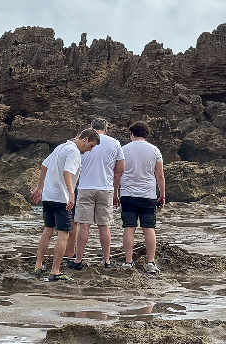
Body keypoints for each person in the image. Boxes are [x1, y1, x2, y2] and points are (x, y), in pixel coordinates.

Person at [30, 128, 100, 282]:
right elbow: (67, 172)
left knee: (47, 231)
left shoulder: (61, 147)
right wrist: (71, 193)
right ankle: (55, 271)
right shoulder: (73, 151)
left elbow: (44, 166)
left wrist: (40, 187)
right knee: (64, 234)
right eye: (91, 146)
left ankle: (38, 265)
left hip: (48, 196)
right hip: (61, 198)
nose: (89, 150)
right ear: (85, 139)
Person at [67, 117, 124, 269]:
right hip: (106, 188)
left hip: (85, 186)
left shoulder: (83, 142)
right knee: (104, 226)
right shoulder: (115, 143)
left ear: (91, 128)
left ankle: (78, 260)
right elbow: (120, 170)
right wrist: (115, 190)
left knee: (83, 225)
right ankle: (107, 260)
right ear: (106, 129)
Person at [119, 120, 166, 275]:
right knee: (149, 228)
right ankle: (151, 262)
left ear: (132, 134)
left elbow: (117, 173)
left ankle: (128, 262)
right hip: (148, 195)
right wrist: (163, 195)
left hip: (127, 194)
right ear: (146, 134)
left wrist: (115, 193)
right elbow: (160, 175)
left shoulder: (123, 150)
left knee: (129, 227)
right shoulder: (154, 150)